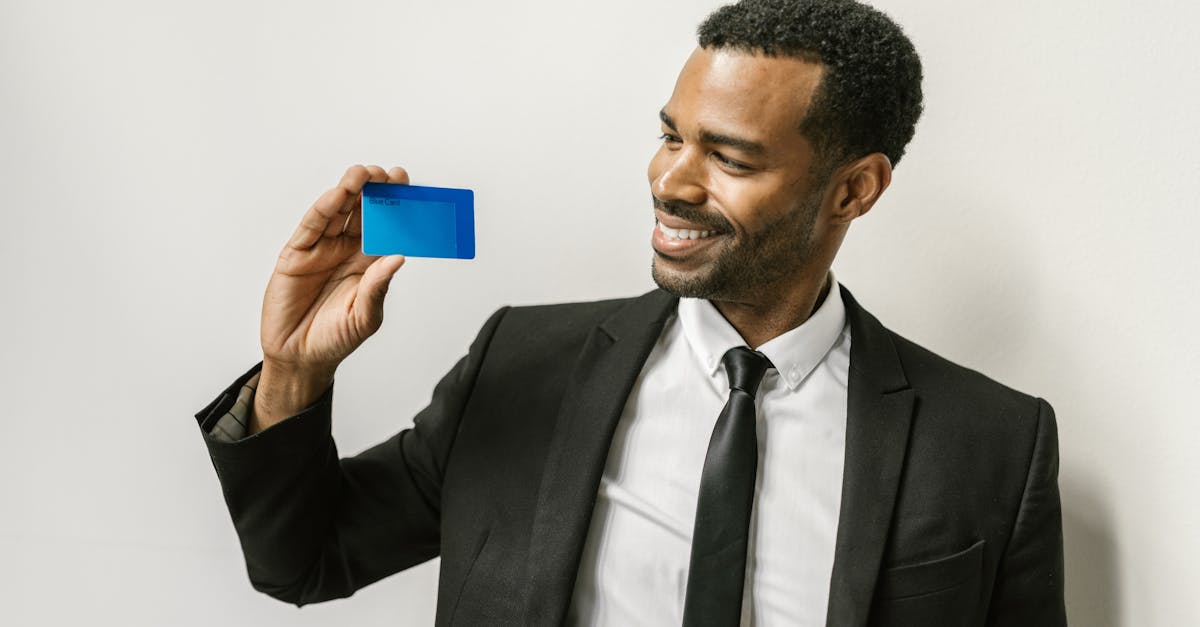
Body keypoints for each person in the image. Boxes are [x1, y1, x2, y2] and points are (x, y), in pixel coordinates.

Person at [195, 0, 1066, 625]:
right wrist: (294, 372)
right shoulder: (520, 361)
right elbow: (301, 562)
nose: (671, 182)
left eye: (728, 155)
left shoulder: (993, 443)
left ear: (854, 188)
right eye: (671, 136)